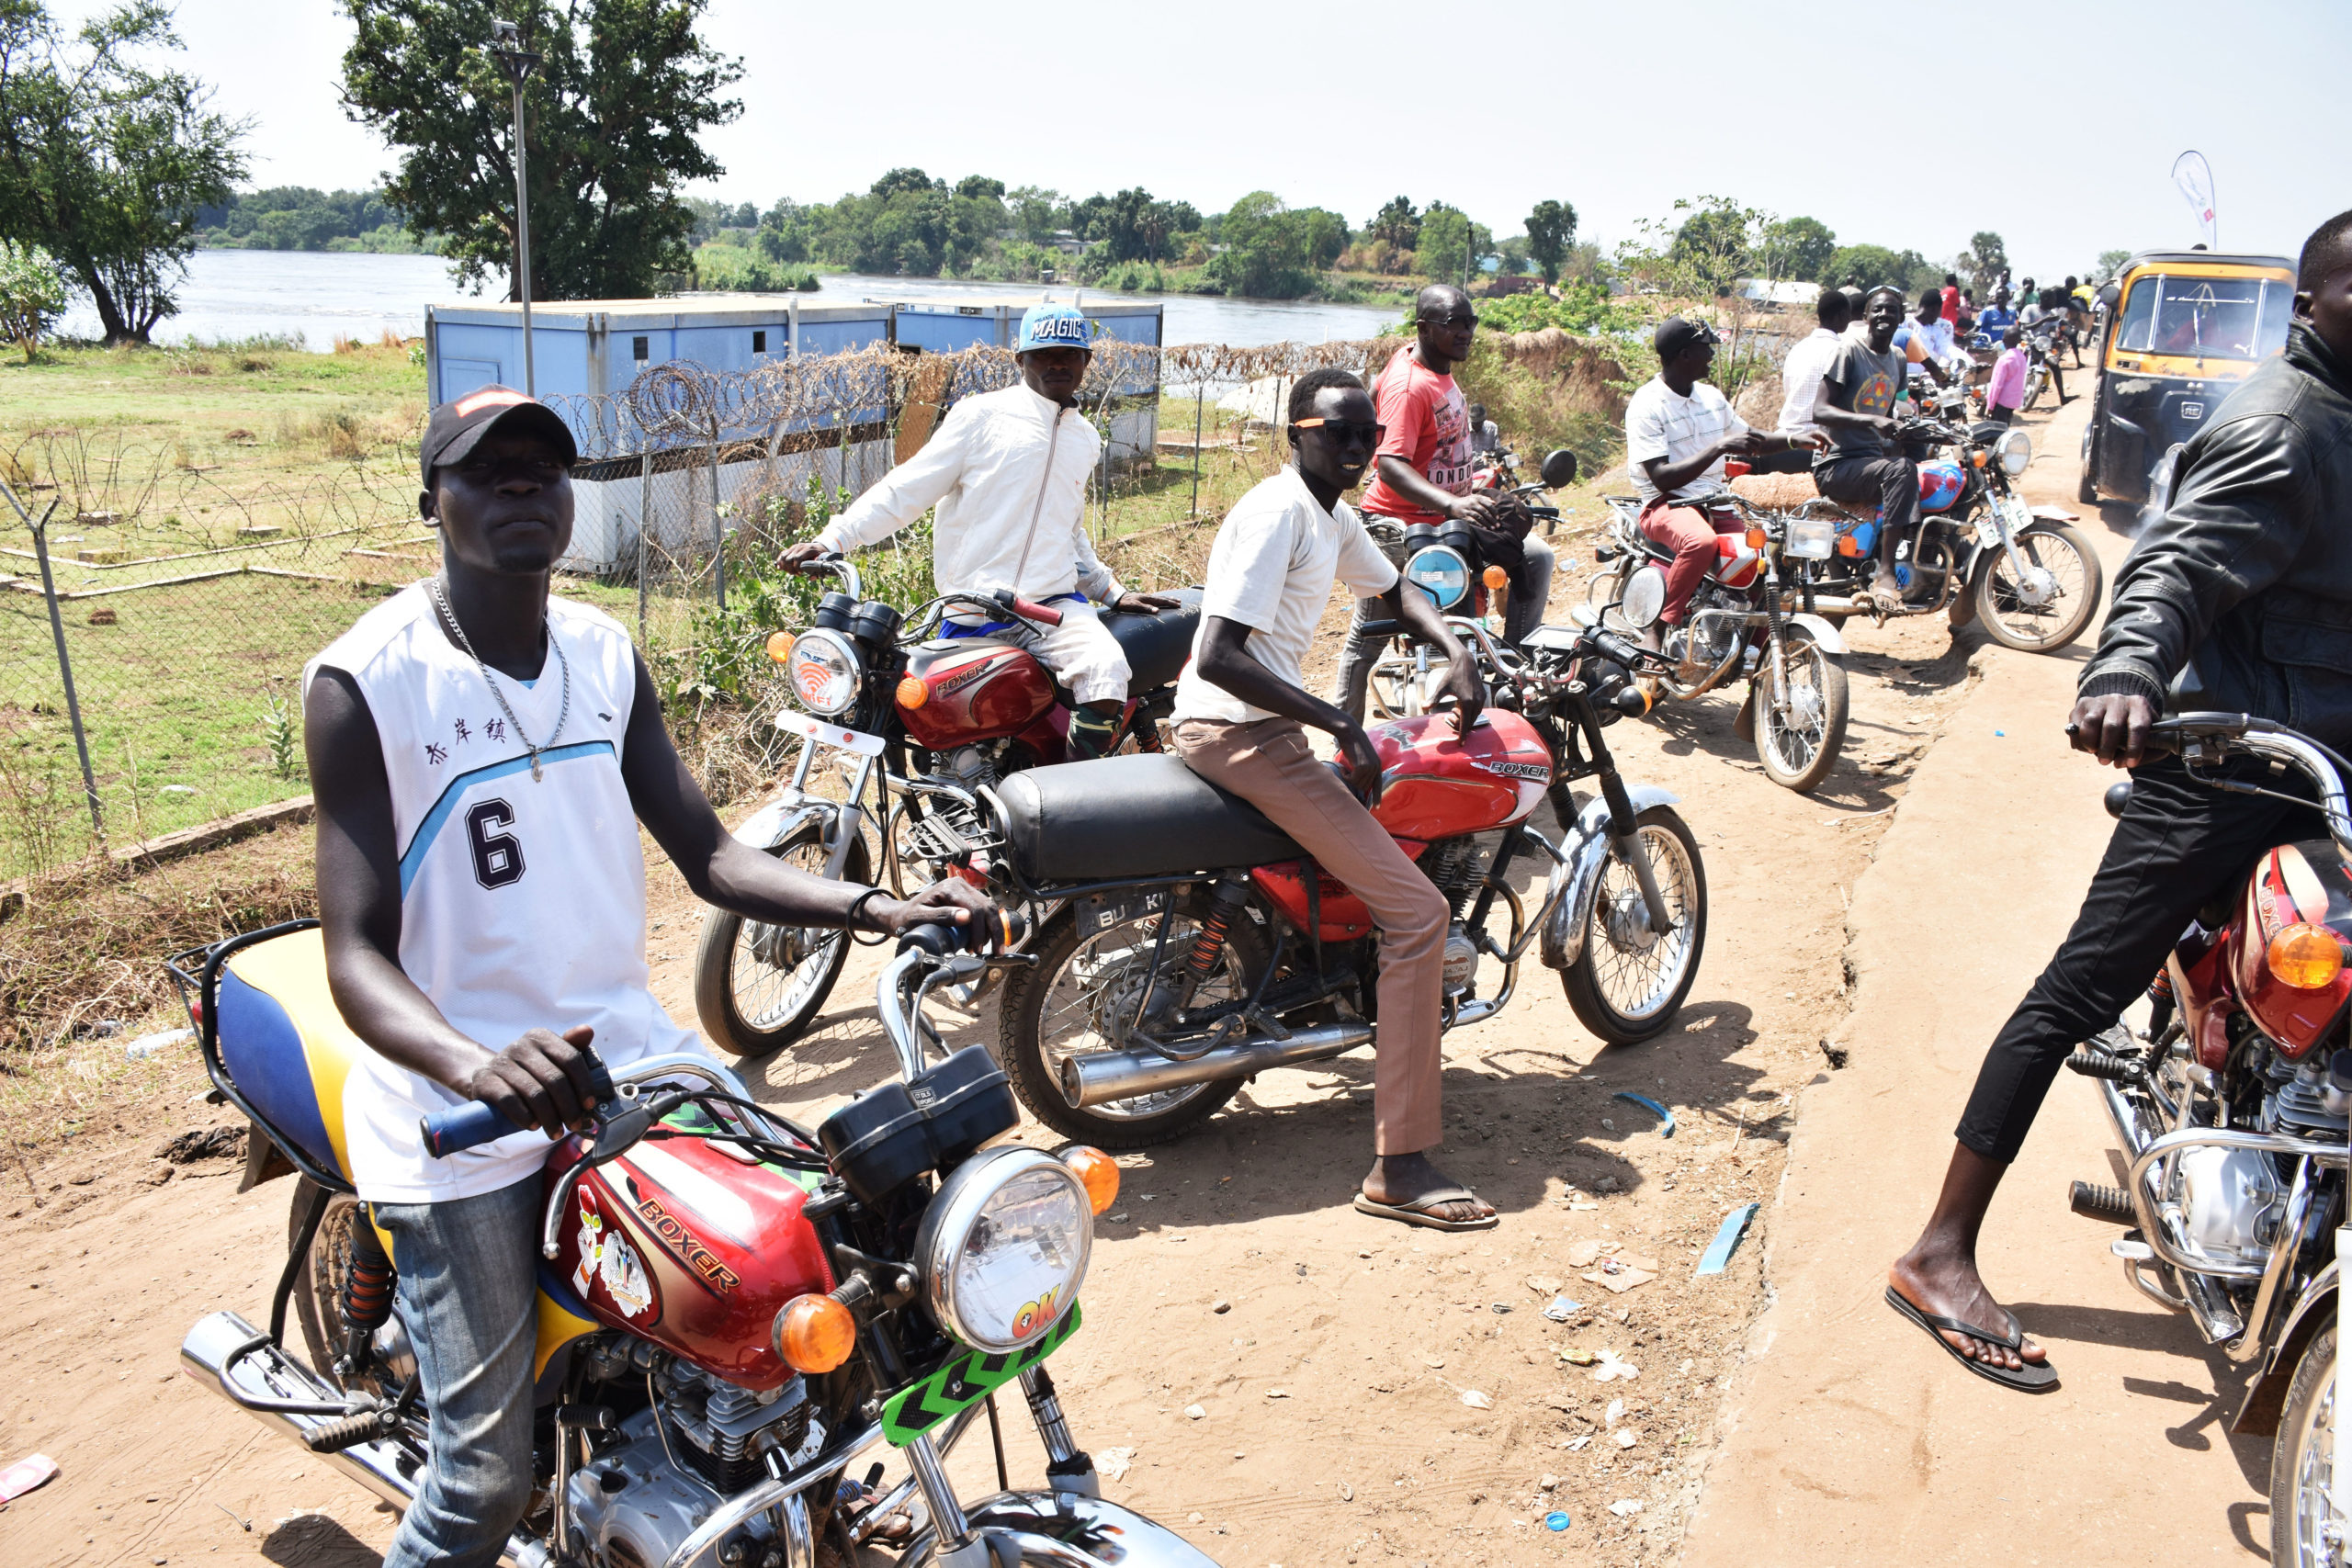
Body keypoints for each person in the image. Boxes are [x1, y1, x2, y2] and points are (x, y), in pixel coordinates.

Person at [305, 387, 992, 1565]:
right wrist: (479, 1063)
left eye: (544, 465)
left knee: (817, 1290)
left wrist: (877, 903)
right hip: (458, 1111)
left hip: (625, 1066)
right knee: (480, 1477)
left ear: (573, 500)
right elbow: (355, 956)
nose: (522, 483)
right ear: (435, 502)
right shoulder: (369, 682)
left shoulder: (602, 653)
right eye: (487, 468)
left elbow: (717, 857)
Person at [1886, 209, 2352, 1392]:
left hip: (2330, 759)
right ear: (2311, 303)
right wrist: (2126, 670)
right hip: (2239, 764)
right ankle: (1940, 1251)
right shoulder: (2287, 425)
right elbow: (2177, 563)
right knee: (2076, 990)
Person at [1171, 367, 1497, 1233]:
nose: (1356, 449)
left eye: (1366, 438)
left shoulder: (1331, 512)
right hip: (1239, 731)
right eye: (1338, 434)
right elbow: (1218, 653)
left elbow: (1393, 588)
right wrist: (1337, 724)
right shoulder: (1279, 511)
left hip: (1259, 729)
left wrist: (1454, 646)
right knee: (1419, 911)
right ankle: (1402, 1163)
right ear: (1298, 432)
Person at [780, 303, 1181, 759]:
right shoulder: (981, 417)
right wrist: (832, 541)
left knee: (1107, 671)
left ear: (1086, 361)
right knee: (929, 722)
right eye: (1043, 353)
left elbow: (1068, 530)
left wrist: (1108, 590)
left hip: (1050, 611)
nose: (1057, 363)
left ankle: (1070, 797)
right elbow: (904, 490)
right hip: (972, 612)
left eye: (1069, 354)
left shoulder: (1085, 437)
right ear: (1020, 360)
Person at [1332, 284, 1555, 719]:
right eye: (1454, 324)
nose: (1467, 332)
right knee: (1370, 634)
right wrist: (1454, 504)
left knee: (1535, 558)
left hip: (1451, 521)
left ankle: (1512, 674)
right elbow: (1392, 464)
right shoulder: (1410, 386)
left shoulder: (1433, 365)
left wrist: (1466, 499)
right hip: (1401, 526)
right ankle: (1346, 741)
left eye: (1471, 322)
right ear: (1423, 328)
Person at [1624, 317, 1815, 649]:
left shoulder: (1711, 397)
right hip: (1664, 503)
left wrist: (1796, 441)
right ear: (1685, 355)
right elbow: (1661, 476)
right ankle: (1658, 625)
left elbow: (1752, 439)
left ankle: (1754, 642)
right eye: (1706, 349)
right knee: (1699, 542)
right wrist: (1718, 447)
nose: (1712, 356)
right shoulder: (1647, 404)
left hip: (1715, 500)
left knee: (1767, 550)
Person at [1810, 286, 1917, 608]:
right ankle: (1885, 572)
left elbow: (1887, 413)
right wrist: (1872, 423)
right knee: (1903, 471)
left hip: (1869, 462)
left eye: (1892, 310)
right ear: (1866, 316)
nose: (1885, 315)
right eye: (1879, 310)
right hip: (1835, 464)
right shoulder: (1849, 352)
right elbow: (1820, 410)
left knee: (1922, 475)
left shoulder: (1898, 359)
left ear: (1901, 318)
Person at [1773, 288, 1853, 453]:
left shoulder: (1798, 348)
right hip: (1822, 442)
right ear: (1842, 315)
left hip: (1787, 438)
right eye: (1848, 315)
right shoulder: (1843, 351)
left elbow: (1789, 392)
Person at [1980, 326, 2028, 425]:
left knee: (1997, 430)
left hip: (2001, 401)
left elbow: (1996, 385)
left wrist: (1990, 405)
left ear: (2003, 340)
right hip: (2014, 401)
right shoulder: (2022, 357)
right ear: (2019, 341)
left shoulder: (2004, 359)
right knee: (2005, 425)